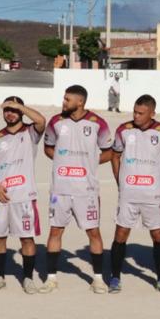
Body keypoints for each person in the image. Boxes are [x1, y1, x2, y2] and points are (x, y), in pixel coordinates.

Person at [41, 84, 111, 293]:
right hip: (60, 189)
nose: (63, 103)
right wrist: (62, 161)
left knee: (93, 232)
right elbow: (48, 147)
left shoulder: (98, 123)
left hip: (86, 190)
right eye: (64, 99)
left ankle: (98, 279)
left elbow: (109, 152)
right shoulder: (56, 121)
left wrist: (89, 163)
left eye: (67, 99)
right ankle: (51, 278)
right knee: (55, 231)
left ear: (80, 102)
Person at [108, 95, 160, 292]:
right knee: (121, 234)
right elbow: (115, 154)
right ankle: (114, 277)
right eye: (134, 112)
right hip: (128, 193)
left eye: (141, 113)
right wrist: (119, 179)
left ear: (152, 113)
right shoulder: (124, 129)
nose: (136, 116)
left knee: (158, 235)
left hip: (153, 195)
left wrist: (156, 170)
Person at [0, 97, 46, 293]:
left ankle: (27, 278)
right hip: (0, 196)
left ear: (20, 111)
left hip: (24, 195)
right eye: (6, 110)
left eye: (13, 110)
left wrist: (19, 106)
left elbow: (41, 121)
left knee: (26, 239)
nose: (9, 113)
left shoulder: (30, 133)